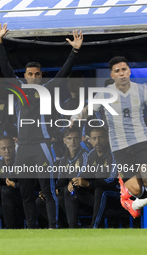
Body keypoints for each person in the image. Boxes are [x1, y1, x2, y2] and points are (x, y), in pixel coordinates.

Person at [0, 23, 83, 228]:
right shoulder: (18, 88)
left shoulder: (48, 89)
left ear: (41, 75)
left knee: (47, 190)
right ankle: (31, 229)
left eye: (37, 74)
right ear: (25, 76)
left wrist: (75, 50)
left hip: (42, 146)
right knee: (25, 192)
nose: (34, 77)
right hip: (23, 148)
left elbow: (63, 72)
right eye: (30, 74)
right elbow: (5, 67)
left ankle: (52, 228)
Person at [77, 56, 147, 218]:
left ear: (129, 71)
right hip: (120, 147)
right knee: (136, 190)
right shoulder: (105, 95)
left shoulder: (142, 89)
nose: (121, 73)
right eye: (117, 71)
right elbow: (87, 110)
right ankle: (131, 196)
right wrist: (75, 118)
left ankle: (135, 203)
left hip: (141, 141)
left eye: (124, 70)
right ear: (112, 75)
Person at [71, 127, 118, 228]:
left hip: (115, 194)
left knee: (101, 191)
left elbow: (112, 180)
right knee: (72, 189)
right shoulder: (91, 155)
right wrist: (74, 181)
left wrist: (90, 184)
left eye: (100, 137)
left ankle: (94, 227)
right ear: (90, 140)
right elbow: (83, 172)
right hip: (97, 194)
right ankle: (74, 226)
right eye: (94, 138)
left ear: (106, 138)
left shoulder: (113, 154)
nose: (97, 141)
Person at [55, 127, 89, 228]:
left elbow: (84, 173)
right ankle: (59, 228)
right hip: (68, 190)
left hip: (84, 191)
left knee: (67, 191)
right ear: (64, 141)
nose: (72, 141)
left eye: (75, 138)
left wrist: (72, 182)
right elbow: (61, 179)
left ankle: (73, 226)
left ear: (80, 139)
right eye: (69, 138)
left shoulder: (85, 155)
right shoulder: (63, 159)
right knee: (42, 200)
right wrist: (52, 189)